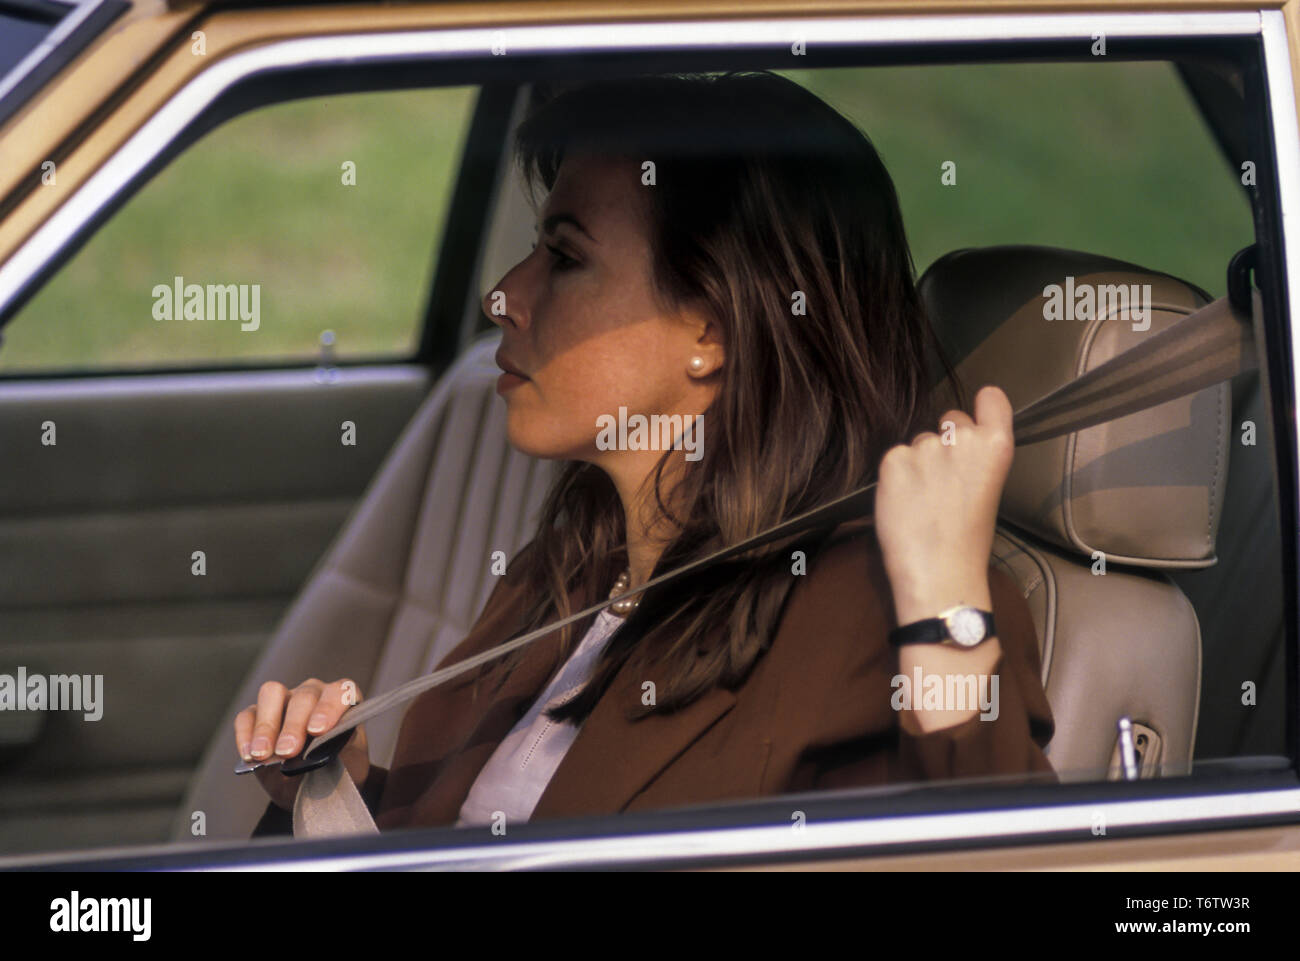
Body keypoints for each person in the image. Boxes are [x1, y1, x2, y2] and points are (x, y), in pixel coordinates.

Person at [239, 71, 1056, 836]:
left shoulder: (878, 613)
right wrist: (338, 787)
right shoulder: (569, 567)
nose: (503, 297)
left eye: (564, 256)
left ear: (712, 329)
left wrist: (947, 605)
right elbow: (470, 833)